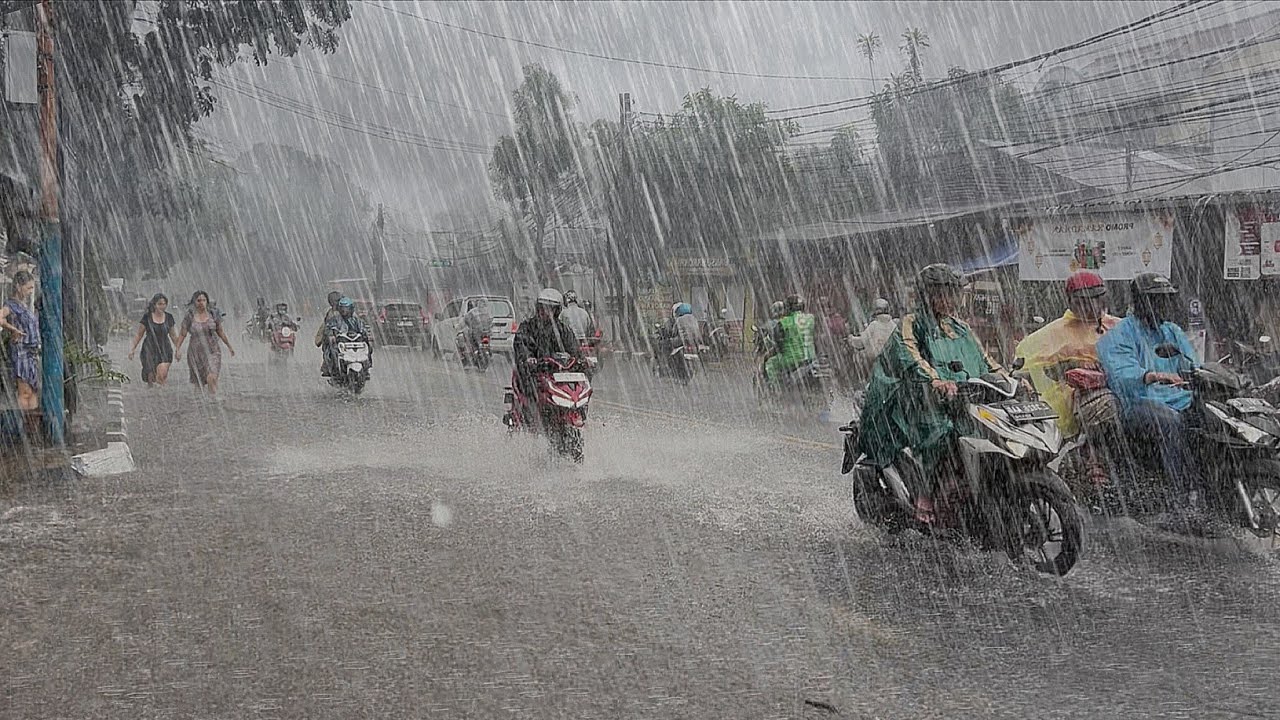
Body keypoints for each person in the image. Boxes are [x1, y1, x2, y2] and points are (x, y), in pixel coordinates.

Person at [856, 264, 1004, 482]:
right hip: (919, 401)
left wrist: (1007, 379)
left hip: (960, 400)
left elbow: (985, 359)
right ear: (927, 295)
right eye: (943, 294)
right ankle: (926, 490)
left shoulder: (961, 327)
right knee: (942, 433)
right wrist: (935, 381)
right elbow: (909, 356)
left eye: (953, 294)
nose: (950, 300)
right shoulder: (911, 323)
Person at [1097, 272, 1201, 502]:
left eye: (1167, 300)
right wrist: (1151, 376)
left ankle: (1215, 484)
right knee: (1169, 422)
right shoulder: (1120, 334)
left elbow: (1194, 364)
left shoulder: (1172, 331)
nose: (1164, 306)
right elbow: (1120, 373)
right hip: (1138, 402)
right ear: (1142, 302)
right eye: (1157, 300)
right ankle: (1179, 494)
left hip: (1179, 398)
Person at [1016, 271, 1122, 438]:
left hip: (1122, 388)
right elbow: (1034, 366)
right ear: (1071, 302)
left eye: (1097, 299)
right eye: (1085, 302)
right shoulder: (1055, 333)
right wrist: (1074, 367)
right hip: (1078, 397)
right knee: (1108, 407)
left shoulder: (1119, 326)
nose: (1093, 307)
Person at [512, 289, 581, 420]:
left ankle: (575, 412)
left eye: (550, 308)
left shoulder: (563, 329)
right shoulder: (527, 327)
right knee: (532, 389)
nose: (545, 311)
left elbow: (574, 349)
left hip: (556, 373)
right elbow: (521, 345)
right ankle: (531, 417)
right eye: (542, 307)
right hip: (534, 372)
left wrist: (581, 359)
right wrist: (529, 358)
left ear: (557, 311)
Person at [174, 290, 236, 396]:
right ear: (194, 302)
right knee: (199, 383)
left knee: (212, 377)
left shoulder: (213, 314)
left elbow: (220, 332)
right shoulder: (189, 316)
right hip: (195, 353)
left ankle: (213, 400)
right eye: (198, 300)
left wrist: (229, 346)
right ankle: (200, 403)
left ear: (207, 301)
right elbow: (182, 334)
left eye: (204, 300)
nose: (201, 303)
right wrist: (178, 349)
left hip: (213, 350)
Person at [0, 270, 40, 413]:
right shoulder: (11, 305)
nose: (30, 291)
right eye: (28, 288)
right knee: (24, 390)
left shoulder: (23, 305)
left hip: (31, 352)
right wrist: (13, 330)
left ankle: (32, 418)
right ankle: (24, 418)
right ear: (18, 286)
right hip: (21, 350)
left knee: (33, 389)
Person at [763, 295, 817, 384]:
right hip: (810, 358)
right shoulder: (811, 319)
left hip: (791, 360)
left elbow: (778, 345)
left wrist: (769, 354)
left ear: (788, 308)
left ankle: (774, 388)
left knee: (770, 364)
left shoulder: (784, 322)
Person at [127, 293, 179, 386]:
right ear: (154, 305)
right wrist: (132, 349)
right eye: (159, 304)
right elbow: (139, 335)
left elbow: (173, 335)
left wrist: (178, 349)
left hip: (165, 348)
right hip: (149, 348)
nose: (162, 306)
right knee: (150, 375)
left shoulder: (169, 317)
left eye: (164, 304)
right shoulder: (147, 317)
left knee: (162, 374)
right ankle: (151, 392)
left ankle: (161, 391)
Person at [319, 296, 370, 377]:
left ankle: (366, 368)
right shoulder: (335, 320)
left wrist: (365, 335)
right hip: (342, 343)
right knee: (331, 351)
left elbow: (363, 329)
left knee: (368, 348)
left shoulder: (356, 320)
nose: (344, 311)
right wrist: (331, 335)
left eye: (346, 308)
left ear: (351, 309)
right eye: (342, 308)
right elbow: (328, 329)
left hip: (355, 343)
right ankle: (334, 369)